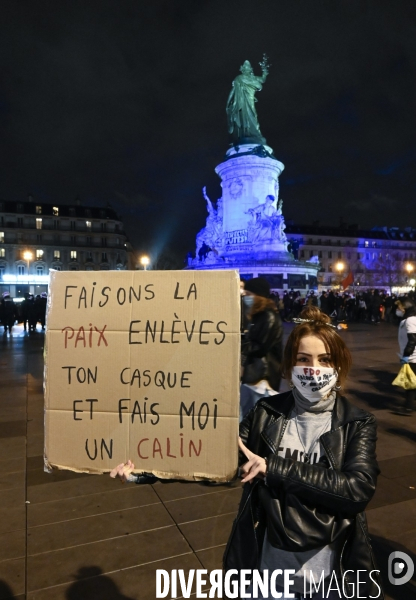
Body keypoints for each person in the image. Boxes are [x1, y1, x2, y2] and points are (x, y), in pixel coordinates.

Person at [224, 305, 383, 600]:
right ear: (289, 366)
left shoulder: (356, 422)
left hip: (329, 578)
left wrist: (274, 468)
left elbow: (357, 489)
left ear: (338, 366)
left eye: (325, 360)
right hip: (269, 574)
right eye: (303, 359)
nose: (314, 369)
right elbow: (220, 462)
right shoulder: (266, 412)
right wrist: (147, 470)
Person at [241, 277, 283, 394]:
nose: (246, 297)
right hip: (257, 374)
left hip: (263, 375)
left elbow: (260, 347)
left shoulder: (267, 316)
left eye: (248, 294)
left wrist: (238, 344)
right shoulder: (258, 315)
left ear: (258, 296)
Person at [397, 298, 416, 414]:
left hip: (412, 357)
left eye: (400, 308)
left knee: (409, 383)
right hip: (411, 356)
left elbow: (412, 340)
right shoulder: (407, 320)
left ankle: (408, 407)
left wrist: (406, 355)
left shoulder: (410, 320)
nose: (398, 310)